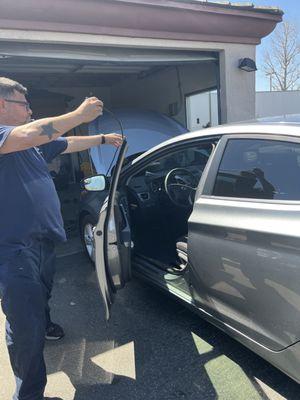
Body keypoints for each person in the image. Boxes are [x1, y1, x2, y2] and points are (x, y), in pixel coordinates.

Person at [0, 77, 123, 400]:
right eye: (23, 104)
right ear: (2, 105)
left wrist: (101, 138)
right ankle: (28, 396)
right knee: (24, 328)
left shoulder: (28, 144)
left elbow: (65, 144)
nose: (29, 110)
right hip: (14, 250)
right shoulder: (8, 137)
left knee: (38, 304)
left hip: (41, 242)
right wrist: (79, 115)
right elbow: (31, 132)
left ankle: (45, 325)